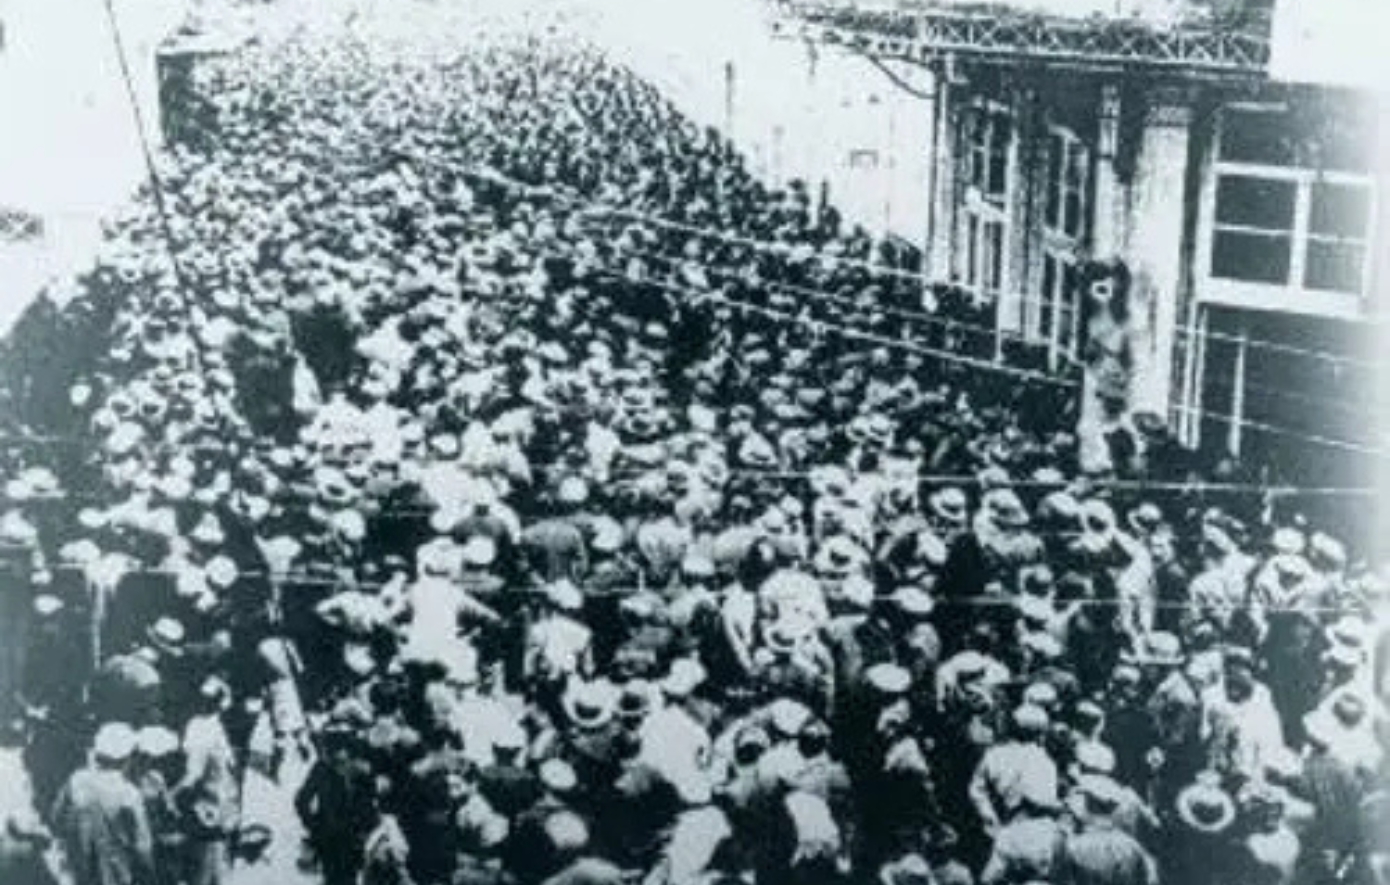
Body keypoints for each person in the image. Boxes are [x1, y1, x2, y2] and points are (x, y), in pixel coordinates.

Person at [50, 723, 155, 885]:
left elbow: (56, 819)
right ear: (127, 758)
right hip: (115, 874)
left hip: (77, 871)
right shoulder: (129, 793)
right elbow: (143, 846)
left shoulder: (77, 779)